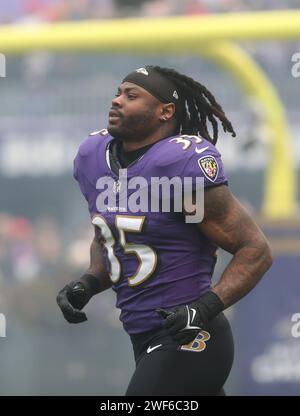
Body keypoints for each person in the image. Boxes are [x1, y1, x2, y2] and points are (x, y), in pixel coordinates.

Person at [57, 65, 273, 396]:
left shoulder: (178, 163)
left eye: (131, 96)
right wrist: (87, 283)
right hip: (142, 337)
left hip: (190, 337)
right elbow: (112, 238)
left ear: (165, 111)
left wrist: (202, 309)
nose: (117, 101)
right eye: (117, 93)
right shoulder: (93, 157)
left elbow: (255, 250)